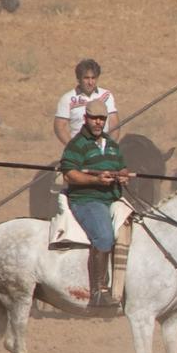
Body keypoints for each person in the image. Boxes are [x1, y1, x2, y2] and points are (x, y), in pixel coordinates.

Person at [58, 98, 134, 307]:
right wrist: (95, 180)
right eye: (94, 118)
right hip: (87, 200)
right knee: (104, 236)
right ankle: (98, 292)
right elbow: (69, 174)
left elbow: (122, 166)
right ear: (85, 118)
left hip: (112, 198)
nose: (98, 122)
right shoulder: (77, 144)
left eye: (102, 118)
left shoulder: (111, 144)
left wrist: (123, 175)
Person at [54, 59, 118, 143]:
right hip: (79, 148)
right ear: (78, 79)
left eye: (93, 78)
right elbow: (60, 126)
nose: (90, 82)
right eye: (86, 78)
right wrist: (73, 148)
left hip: (102, 147)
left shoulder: (107, 95)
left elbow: (114, 123)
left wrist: (109, 146)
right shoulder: (67, 98)